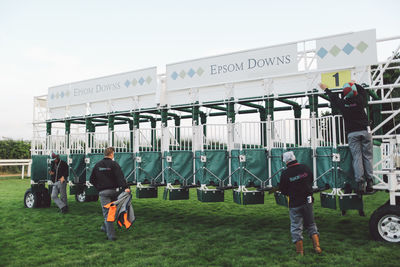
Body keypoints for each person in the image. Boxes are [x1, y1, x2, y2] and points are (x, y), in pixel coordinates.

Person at [319, 82, 374, 193]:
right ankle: (370, 183)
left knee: (357, 157)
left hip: (352, 134)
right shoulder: (359, 100)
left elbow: (333, 98)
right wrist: (354, 83)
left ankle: (360, 183)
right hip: (365, 131)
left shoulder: (343, 103)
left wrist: (326, 89)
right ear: (354, 92)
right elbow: (362, 90)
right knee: (367, 157)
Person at [279, 151, 321, 256]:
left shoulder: (285, 174)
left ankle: (300, 252)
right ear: (294, 158)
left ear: (286, 161)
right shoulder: (305, 168)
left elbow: (283, 190)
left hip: (294, 203)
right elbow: (310, 180)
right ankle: (317, 247)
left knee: (296, 227)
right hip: (308, 200)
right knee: (311, 224)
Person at [89, 147, 130, 241]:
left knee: (107, 213)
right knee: (113, 212)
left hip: (103, 192)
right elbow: (120, 178)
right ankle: (111, 235)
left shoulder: (97, 165)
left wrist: (99, 187)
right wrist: (125, 188)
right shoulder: (114, 164)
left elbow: (92, 179)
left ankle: (105, 227)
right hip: (114, 191)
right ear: (112, 154)